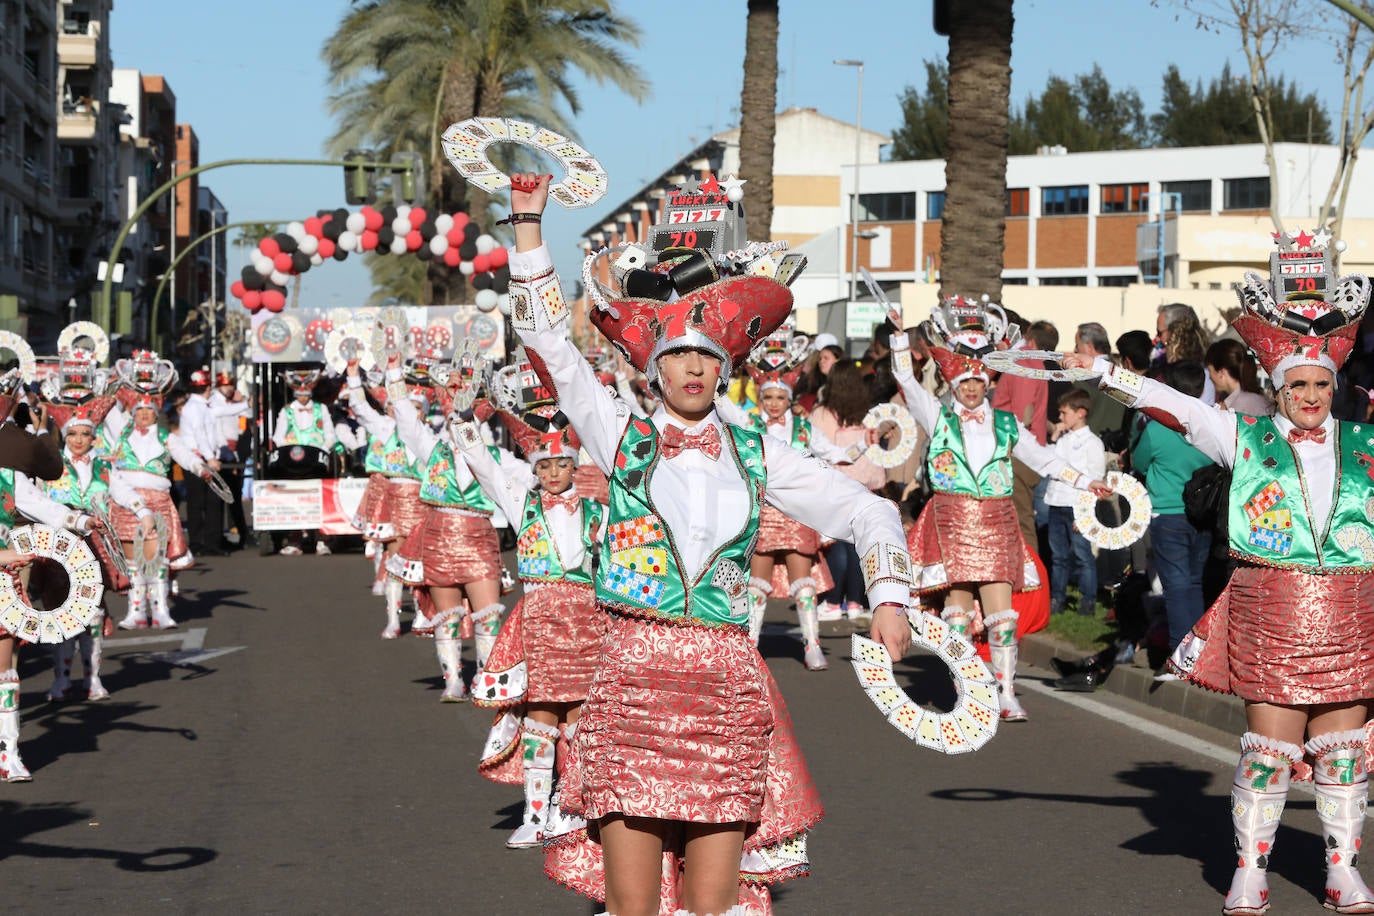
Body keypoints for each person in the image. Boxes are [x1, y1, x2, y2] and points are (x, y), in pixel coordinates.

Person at [506, 171, 911, 916]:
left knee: (711, 906)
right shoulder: (617, 431)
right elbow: (549, 346)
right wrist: (528, 226)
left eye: (707, 355)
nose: (693, 367)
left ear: (725, 366)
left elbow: (867, 511)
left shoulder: (760, 452)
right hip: (630, 680)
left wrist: (889, 595)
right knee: (633, 909)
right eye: (678, 353)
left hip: (725, 687)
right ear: (652, 363)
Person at [1062, 231, 1374, 915]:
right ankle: (1250, 871)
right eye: (1299, 384)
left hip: (1351, 612)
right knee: (1269, 751)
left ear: (1337, 386)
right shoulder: (1243, 436)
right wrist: (1103, 373)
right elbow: (1177, 409)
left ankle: (1342, 871)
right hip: (1274, 610)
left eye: (1323, 384)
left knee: (1344, 753)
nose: (1312, 395)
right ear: (1277, 386)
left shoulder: (1367, 445)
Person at [889, 298, 1111, 722]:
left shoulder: (1007, 424)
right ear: (953, 383)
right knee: (957, 612)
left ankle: (1006, 691)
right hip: (953, 521)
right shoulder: (938, 417)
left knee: (1001, 613)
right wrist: (900, 337)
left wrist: (1086, 482)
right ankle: (966, 688)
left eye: (978, 381)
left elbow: (1043, 459)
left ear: (987, 381)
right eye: (965, 382)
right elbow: (906, 379)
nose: (972, 389)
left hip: (996, 521)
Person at [459, 392, 606, 849]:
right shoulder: (519, 502)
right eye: (545, 466)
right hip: (540, 620)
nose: (554, 473)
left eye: (562, 464)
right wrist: (466, 419)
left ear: (575, 464)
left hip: (586, 619)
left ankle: (575, 806)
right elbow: (481, 462)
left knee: (582, 718)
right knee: (540, 716)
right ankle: (535, 812)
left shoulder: (598, 508)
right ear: (534, 469)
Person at [714, 324, 876, 669]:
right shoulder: (749, 422)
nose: (774, 404)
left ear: (789, 398)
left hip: (798, 513)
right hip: (762, 511)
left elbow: (837, 454)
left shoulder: (804, 428)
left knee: (803, 583)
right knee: (756, 585)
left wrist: (868, 440)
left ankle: (812, 645)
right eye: (768, 397)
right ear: (761, 397)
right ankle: (751, 649)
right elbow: (721, 402)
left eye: (780, 398)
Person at [386, 352, 526, 702]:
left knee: (488, 615)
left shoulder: (497, 458)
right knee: (447, 617)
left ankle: (483, 677)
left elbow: (536, 479)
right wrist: (392, 370)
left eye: (467, 417)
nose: (458, 422)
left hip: (479, 539)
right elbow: (406, 419)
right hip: (438, 539)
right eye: (453, 415)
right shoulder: (431, 449)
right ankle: (453, 681)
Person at [0, 371, 110, 780]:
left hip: (2, 579)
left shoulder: (8, 473)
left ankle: (9, 752)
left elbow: (37, 502)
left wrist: (77, 520)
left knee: (5, 667)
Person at [39, 354, 157, 702]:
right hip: (59, 547)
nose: (77, 440)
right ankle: (60, 679)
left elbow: (125, 492)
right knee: (60, 611)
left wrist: (144, 511)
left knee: (92, 612)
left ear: (94, 437)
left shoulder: (105, 470)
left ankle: (92, 680)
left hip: (94, 547)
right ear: (65, 435)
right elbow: (32, 501)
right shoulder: (50, 467)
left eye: (84, 434)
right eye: (72, 434)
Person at [104, 351, 208, 629]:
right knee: (133, 560)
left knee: (156, 557)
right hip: (126, 501)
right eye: (140, 409)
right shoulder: (120, 431)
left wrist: (201, 469)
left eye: (150, 410)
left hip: (158, 500)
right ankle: (136, 611)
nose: (145, 414)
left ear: (157, 411)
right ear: (133, 412)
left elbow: (186, 455)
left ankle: (160, 610)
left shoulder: (166, 437)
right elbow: (106, 405)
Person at [1129, 361, 1216, 654]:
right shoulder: (1211, 425)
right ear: (1202, 387)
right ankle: (1198, 652)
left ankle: (1181, 653)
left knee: (1177, 587)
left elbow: (1139, 463)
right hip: (1203, 514)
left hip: (1167, 513)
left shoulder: (1157, 429)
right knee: (1194, 582)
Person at [343, 364, 429, 638]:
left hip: (423, 501)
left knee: (421, 563)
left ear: (424, 412)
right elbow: (361, 409)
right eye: (409, 407)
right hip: (396, 498)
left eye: (418, 408)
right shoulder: (387, 428)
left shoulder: (433, 437)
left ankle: (421, 614)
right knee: (396, 558)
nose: (412, 413)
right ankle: (393, 618)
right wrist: (354, 376)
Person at [808, 359, 885, 622]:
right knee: (858, 546)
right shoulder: (868, 413)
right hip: (865, 484)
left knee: (836, 545)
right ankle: (854, 601)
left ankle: (832, 600)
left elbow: (817, 448)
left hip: (836, 484)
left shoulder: (823, 413)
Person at [1044, 388, 1106, 615]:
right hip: (1056, 502)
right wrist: (1053, 438)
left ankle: (1087, 602)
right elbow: (1051, 465)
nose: (1060, 418)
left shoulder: (1092, 443)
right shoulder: (1062, 439)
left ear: (1080, 413)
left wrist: (1086, 513)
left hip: (1076, 505)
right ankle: (1057, 599)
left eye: (1064, 413)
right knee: (1059, 555)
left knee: (1082, 555)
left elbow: (1096, 479)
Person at [271, 369, 338, 556]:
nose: (303, 399)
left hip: (316, 462)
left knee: (320, 499)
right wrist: (290, 450)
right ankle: (296, 539)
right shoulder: (286, 411)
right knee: (296, 500)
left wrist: (322, 448)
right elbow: (278, 437)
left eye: (306, 395)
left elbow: (330, 435)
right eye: (300, 395)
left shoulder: (321, 409)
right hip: (293, 464)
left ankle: (321, 540)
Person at [178, 368, 225, 557]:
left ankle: (211, 542)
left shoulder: (204, 406)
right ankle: (198, 543)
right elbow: (199, 436)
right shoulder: (193, 407)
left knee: (212, 501)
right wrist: (210, 457)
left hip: (205, 457)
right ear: (207, 389)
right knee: (198, 502)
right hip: (196, 459)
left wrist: (245, 404)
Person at [207, 371, 251, 549]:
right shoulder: (214, 402)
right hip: (220, 452)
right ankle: (219, 536)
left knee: (234, 495)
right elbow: (218, 422)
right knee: (219, 496)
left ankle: (240, 532)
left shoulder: (233, 401)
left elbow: (249, 413)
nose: (229, 388)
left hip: (233, 451)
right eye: (226, 385)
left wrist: (242, 401)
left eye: (231, 385)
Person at [1206, 338, 1273, 416]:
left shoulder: (1238, 408)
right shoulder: (1254, 399)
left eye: (1210, 371)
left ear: (1221, 372)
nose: (1210, 377)